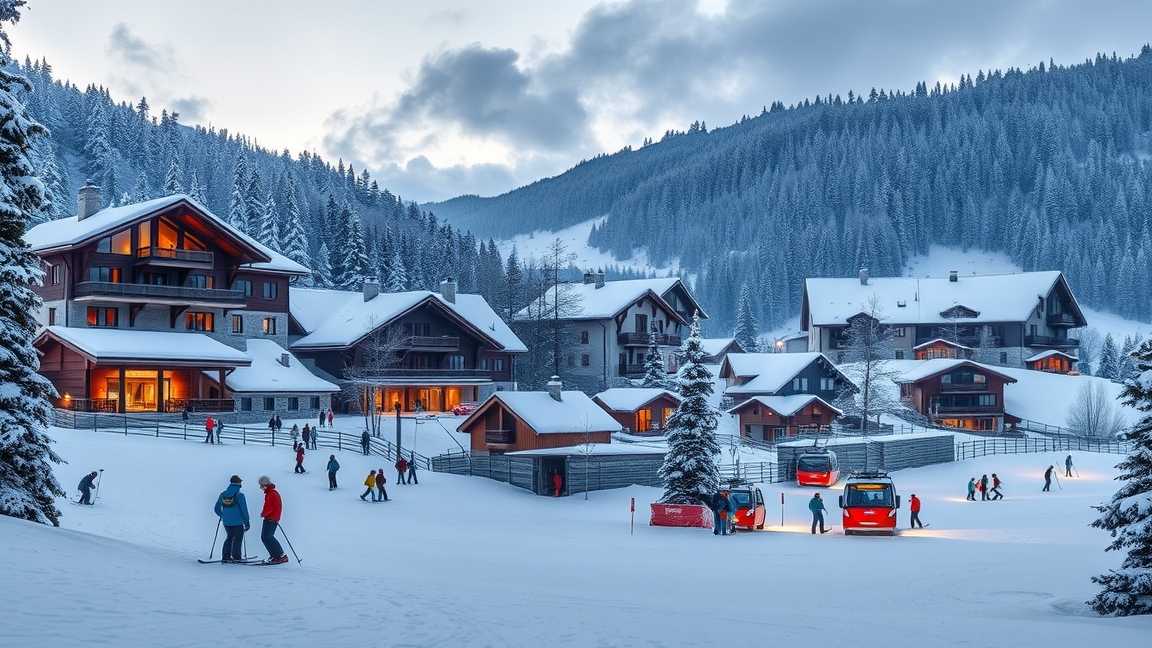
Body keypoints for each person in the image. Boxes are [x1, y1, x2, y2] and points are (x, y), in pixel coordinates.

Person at [213, 475, 250, 563]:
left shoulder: (223, 494)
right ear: (238, 483)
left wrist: (223, 515)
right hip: (238, 522)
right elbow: (244, 510)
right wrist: (247, 522)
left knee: (229, 537)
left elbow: (216, 509)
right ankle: (236, 556)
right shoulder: (240, 495)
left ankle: (226, 556)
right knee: (238, 538)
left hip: (226, 522)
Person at [257, 476, 288, 564]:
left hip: (272, 519)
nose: (261, 488)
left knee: (268, 537)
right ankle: (274, 555)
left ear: (265, 485)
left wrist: (265, 514)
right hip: (268, 518)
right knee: (264, 537)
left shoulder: (273, 493)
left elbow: (274, 508)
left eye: (261, 486)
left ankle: (280, 555)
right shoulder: (268, 494)